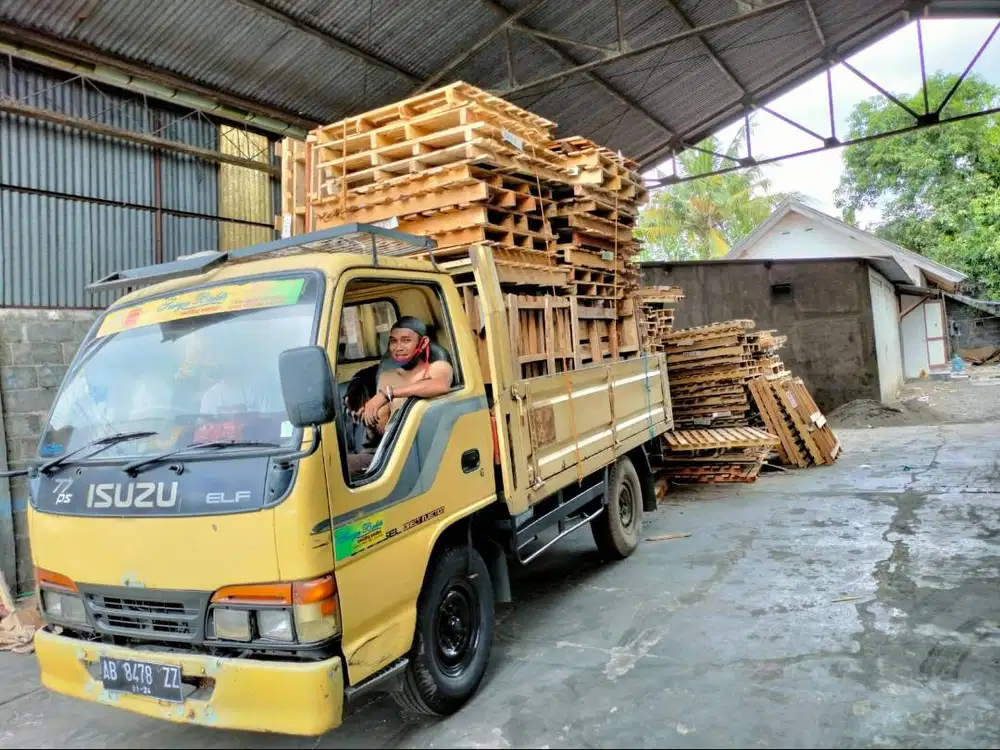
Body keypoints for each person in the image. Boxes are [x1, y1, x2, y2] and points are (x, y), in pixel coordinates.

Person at [346, 316, 454, 476]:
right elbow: (384, 427)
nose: (398, 347)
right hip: (389, 454)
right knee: (334, 465)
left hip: (425, 453)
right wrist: (368, 420)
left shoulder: (437, 367)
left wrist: (388, 394)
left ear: (423, 342)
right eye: (393, 341)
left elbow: (440, 385)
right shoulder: (387, 376)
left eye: (406, 340)